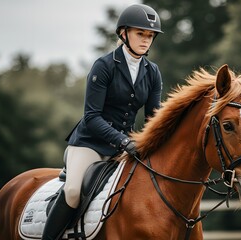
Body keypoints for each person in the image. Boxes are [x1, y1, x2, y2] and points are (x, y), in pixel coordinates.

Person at [42, 4, 163, 240]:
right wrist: (123, 141)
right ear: (123, 33)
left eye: (150, 35)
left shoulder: (153, 72)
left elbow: (153, 119)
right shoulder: (104, 66)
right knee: (74, 191)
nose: (146, 40)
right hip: (90, 143)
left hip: (125, 146)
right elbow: (91, 117)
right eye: (141, 34)